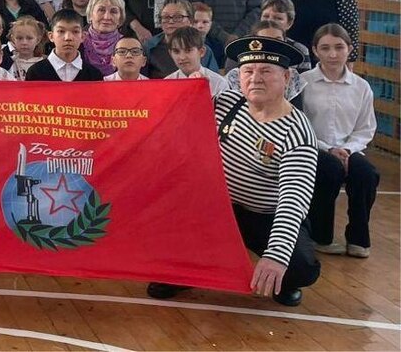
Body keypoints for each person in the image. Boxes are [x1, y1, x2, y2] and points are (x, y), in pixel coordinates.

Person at [148, 36, 320, 307]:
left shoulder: (297, 132)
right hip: (216, 208)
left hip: (264, 215)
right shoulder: (227, 103)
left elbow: (293, 201)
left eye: (266, 71)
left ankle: (281, 278)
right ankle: (184, 272)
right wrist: (188, 92)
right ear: (238, 77)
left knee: (300, 266)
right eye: (248, 71)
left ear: (286, 77)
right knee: (160, 236)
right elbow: (173, 121)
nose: (255, 79)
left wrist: (276, 255)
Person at [301, 23, 378, 259]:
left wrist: (347, 149)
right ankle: (321, 236)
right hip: (315, 148)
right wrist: (329, 149)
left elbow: (366, 128)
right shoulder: (303, 83)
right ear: (315, 51)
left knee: (366, 174)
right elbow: (300, 125)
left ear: (349, 49)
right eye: (325, 48)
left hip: (348, 150)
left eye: (339, 47)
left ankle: (358, 238)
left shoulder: (361, 87)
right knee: (330, 170)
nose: (332, 54)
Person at [222, 20, 307, 105]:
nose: (272, 45)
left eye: (278, 40)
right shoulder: (234, 77)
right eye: (265, 40)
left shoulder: (292, 78)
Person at [142, 0, 218, 79]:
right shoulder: (149, 47)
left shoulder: (202, 49)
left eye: (178, 17)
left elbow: (213, 78)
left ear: (190, 21)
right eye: (166, 17)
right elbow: (141, 80)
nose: (171, 21)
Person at [25, 9, 103, 81]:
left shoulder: (94, 75)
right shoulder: (35, 73)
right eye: (61, 31)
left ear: (82, 36)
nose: (68, 38)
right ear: (51, 36)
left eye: (75, 31)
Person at [164, 26, 228, 97]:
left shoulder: (218, 83)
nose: (182, 57)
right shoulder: (166, 84)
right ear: (170, 53)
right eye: (176, 51)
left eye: (188, 50)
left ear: (201, 52)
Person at [258, 0, 314, 72]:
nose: (270, 21)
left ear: (289, 23)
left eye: (277, 18)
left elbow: (303, 78)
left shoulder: (300, 50)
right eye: (266, 16)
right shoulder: (246, 44)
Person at [81, 0, 126, 76]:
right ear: (90, 15)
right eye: (101, 10)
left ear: (120, 19)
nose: (107, 17)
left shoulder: (128, 45)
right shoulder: (78, 42)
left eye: (113, 11)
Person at [8, 16, 46, 80]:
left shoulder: (45, 63)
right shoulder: (8, 62)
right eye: (19, 38)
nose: (24, 43)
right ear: (13, 39)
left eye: (29, 38)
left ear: (38, 40)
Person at [191, 2, 227, 70]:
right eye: (195, 22)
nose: (200, 26)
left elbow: (221, 71)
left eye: (205, 22)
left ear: (210, 24)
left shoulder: (218, 47)